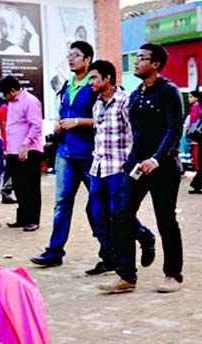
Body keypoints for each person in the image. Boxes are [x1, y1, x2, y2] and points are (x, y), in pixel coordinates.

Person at [103, 44, 185, 294]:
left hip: (164, 167)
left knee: (166, 219)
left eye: (141, 58)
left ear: (156, 64)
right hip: (136, 166)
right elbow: (133, 134)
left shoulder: (169, 91)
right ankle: (126, 276)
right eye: (136, 58)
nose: (136, 62)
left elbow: (174, 130)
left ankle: (173, 274)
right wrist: (130, 162)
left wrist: (157, 158)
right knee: (121, 214)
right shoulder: (136, 94)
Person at [84, 61, 155, 289]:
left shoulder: (125, 101)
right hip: (99, 167)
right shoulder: (97, 104)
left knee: (119, 216)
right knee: (96, 213)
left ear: (107, 78)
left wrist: (131, 163)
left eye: (94, 78)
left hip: (120, 168)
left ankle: (124, 268)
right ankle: (141, 237)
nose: (90, 83)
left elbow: (136, 133)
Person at [31, 41, 98, 266]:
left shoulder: (95, 85)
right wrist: (60, 127)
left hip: (90, 155)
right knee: (62, 203)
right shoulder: (67, 85)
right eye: (69, 55)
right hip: (66, 153)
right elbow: (64, 115)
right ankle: (55, 251)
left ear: (88, 59)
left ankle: (138, 237)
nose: (71, 59)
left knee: (103, 203)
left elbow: (105, 119)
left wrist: (77, 122)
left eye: (76, 55)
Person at [0, 75, 43, 231]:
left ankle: (33, 219)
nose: (5, 97)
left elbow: (36, 125)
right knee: (18, 186)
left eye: (5, 94)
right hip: (14, 151)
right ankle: (22, 217)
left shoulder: (30, 101)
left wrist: (25, 144)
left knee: (31, 186)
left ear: (12, 90)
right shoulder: (11, 104)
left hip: (29, 150)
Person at [187, 89, 201, 194]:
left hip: (196, 139)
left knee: (197, 161)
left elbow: (194, 125)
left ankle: (197, 185)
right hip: (196, 138)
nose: (189, 99)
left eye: (191, 97)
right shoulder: (196, 108)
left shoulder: (196, 109)